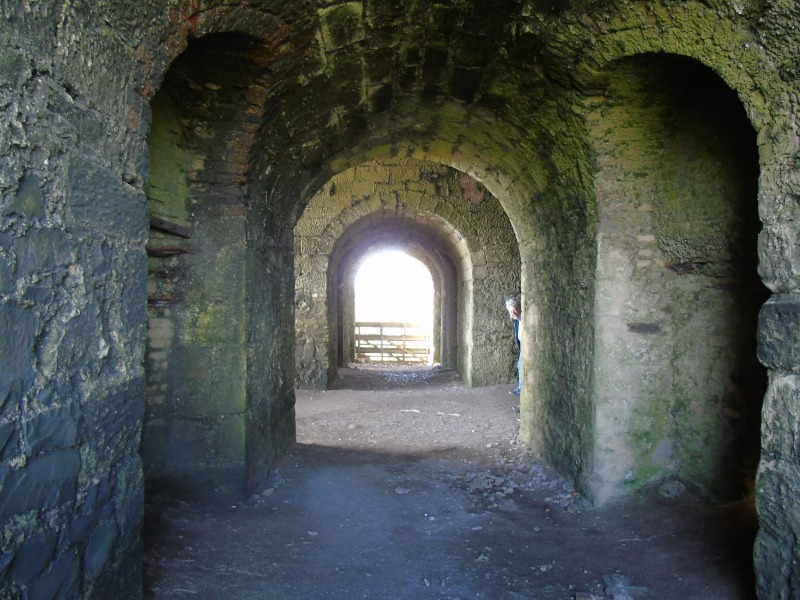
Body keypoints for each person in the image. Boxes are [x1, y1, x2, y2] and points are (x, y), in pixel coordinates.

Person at [505, 294, 522, 397]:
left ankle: (521, 390)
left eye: (514, 310)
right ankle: (521, 389)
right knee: (520, 366)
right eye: (510, 311)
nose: (513, 313)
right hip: (523, 348)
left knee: (521, 366)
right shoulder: (517, 321)